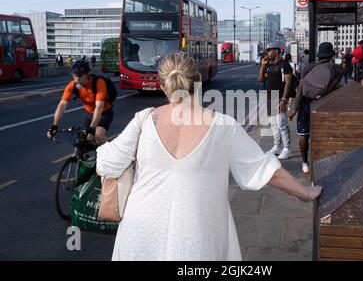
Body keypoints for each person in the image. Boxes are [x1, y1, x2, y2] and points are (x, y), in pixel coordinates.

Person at [96, 53, 322, 261]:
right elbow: (266, 171)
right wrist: (305, 192)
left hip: (139, 234)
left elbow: (108, 164)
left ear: (163, 87)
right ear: (198, 82)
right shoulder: (222, 126)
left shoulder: (143, 120)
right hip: (195, 238)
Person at [289, 42, 342, 175]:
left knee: (303, 134)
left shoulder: (308, 67)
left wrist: (294, 109)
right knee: (321, 134)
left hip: (305, 104)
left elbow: (300, 90)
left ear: (319, 54)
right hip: (323, 105)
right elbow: (332, 89)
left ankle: (305, 164)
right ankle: (320, 162)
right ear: (331, 55)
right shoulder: (336, 69)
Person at [47, 60, 114, 144]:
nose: (77, 79)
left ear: (88, 74)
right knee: (81, 138)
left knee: (98, 135)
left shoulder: (99, 83)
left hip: (104, 113)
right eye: (75, 76)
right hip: (89, 113)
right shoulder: (72, 85)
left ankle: (114, 152)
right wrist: (54, 125)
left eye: (80, 76)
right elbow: (62, 105)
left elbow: (99, 106)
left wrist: (92, 127)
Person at [259, 43, 293, 160]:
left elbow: (288, 82)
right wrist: (263, 65)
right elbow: (261, 79)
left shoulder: (284, 64)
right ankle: (277, 146)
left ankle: (287, 148)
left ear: (277, 51)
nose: (267, 53)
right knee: (274, 125)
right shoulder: (270, 64)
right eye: (267, 51)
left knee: (282, 125)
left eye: (269, 50)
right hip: (270, 97)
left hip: (279, 97)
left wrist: (284, 99)